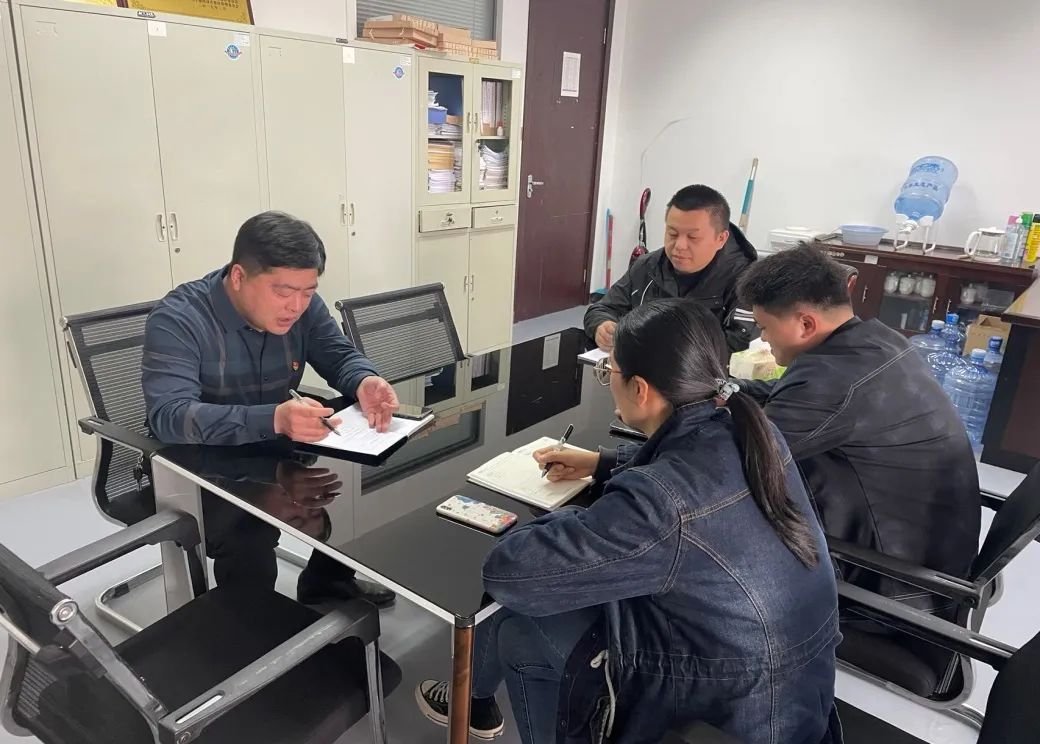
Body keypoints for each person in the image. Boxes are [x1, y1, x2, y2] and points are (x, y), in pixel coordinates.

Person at [416, 300, 840, 744]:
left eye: (609, 371)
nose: (607, 381)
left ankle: (476, 699)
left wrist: (575, 518)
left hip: (727, 711)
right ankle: (475, 700)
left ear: (640, 389)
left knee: (522, 627)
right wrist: (601, 464)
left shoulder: (660, 503)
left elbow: (508, 572)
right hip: (793, 689)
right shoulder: (749, 427)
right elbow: (692, 476)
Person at [142, 210, 398, 607]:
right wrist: (275, 418)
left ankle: (325, 584)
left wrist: (364, 380)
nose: (296, 306)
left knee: (359, 486)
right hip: (198, 463)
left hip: (273, 448)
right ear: (239, 276)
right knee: (250, 534)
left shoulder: (304, 307)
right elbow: (170, 416)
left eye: (307, 292)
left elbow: (338, 355)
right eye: (283, 292)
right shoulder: (180, 319)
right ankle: (254, 630)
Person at [733, 244, 981, 617]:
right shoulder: (875, 341)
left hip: (893, 586)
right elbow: (785, 395)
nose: (763, 339)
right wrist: (725, 389)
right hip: (931, 559)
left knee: (720, 513)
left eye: (765, 327)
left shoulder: (830, 381)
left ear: (805, 324)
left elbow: (736, 455)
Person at [583, 184, 757, 354]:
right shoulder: (648, 266)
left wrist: (668, 352)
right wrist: (602, 326)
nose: (679, 245)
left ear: (721, 239)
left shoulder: (746, 281)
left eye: (693, 237)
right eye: (672, 234)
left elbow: (741, 344)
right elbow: (602, 308)